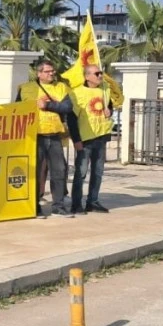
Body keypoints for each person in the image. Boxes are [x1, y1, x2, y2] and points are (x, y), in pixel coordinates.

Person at [17, 60, 74, 217]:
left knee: (59, 171)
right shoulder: (26, 88)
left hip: (54, 135)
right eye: (48, 71)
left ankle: (58, 206)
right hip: (35, 137)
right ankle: (34, 205)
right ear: (39, 73)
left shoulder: (61, 87)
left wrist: (48, 106)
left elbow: (67, 107)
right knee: (35, 173)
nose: (51, 74)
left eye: (52, 71)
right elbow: (17, 109)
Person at [67, 65, 124, 214]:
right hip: (85, 138)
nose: (100, 76)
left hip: (101, 136)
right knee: (81, 173)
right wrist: (76, 140)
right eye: (96, 73)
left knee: (98, 172)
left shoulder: (104, 89)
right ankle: (76, 204)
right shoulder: (77, 93)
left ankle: (93, 201)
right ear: (87, 77)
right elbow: (71, 118)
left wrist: (109, 110)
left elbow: (110, 106)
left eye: (100, 73)